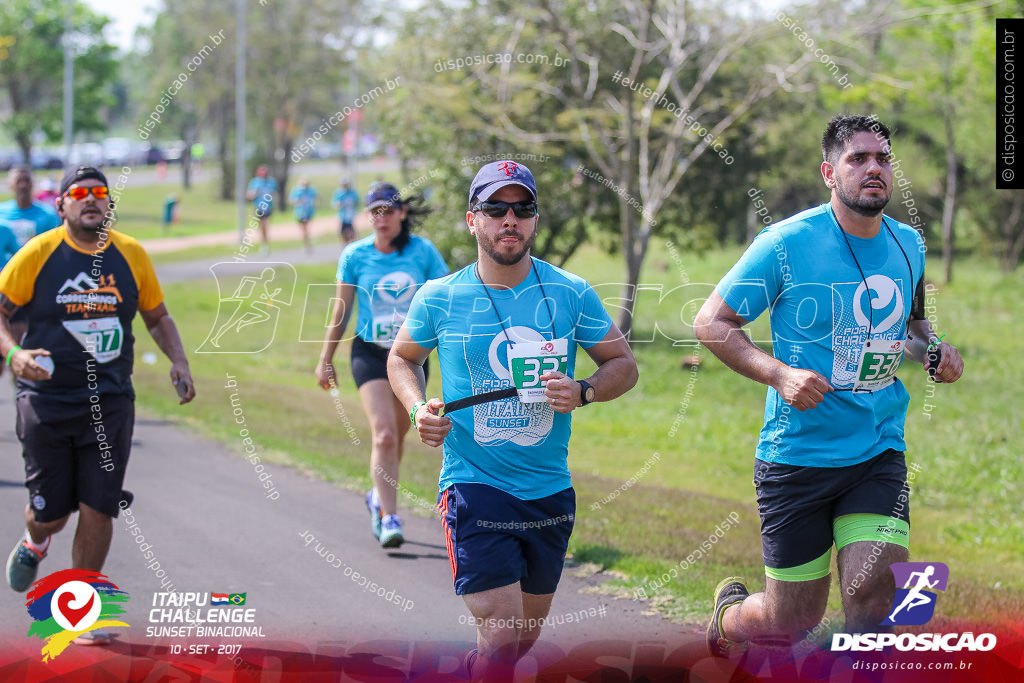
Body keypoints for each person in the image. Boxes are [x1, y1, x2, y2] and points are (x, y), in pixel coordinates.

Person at [694, 115, 964, 658]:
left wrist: (934, 351)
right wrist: (780, 374)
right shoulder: (786, 243)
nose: (873, 169)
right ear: (828, 172)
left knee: (875, 593)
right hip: (798, 455)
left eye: (883, 159)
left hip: (877, 448)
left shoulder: (909, 244)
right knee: (791, 618)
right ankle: (728, 618)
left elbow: (911, 330)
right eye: (857, 158)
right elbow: (711, 323)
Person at [387, 160, 638, 680]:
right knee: (501, 630)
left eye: (522, 209)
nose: (510, 220)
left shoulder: (569, 292)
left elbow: (623, 365)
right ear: (471, 219)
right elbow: (401, 357)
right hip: (473, 483)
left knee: (520, 638)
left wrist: (585, 390)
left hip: (548, 489)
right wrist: (417, 408)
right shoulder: (441, 296)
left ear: (535, 220)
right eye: (495, 208)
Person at [0, 167, 196, 645]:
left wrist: (179, 360)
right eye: (80, 194)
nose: (92, 200)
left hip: (108, 401)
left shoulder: (130, 254)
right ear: (62, 204)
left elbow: (157, 315)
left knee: (98, 506)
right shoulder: (38, 254)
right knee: (52, 514)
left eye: (100, 194)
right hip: (45, 400)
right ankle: (36, 538)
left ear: (108, 204)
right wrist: (14, 353)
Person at [315, 183, 448, 549]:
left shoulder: (423, 252)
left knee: (399, 435)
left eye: (388, 210)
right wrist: (325, 359)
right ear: (367, 215)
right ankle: (389, 516)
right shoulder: (354, 255)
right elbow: (340, 312)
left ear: (402, 213)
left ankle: (377, 495)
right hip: (370, 353)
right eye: (375, 211)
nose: (382, 218)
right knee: (385, 434)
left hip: (410, 357)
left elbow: (446, 298)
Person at [0, 166, 62, 259]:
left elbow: (57, 246)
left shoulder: (48, 214)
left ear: (32, 183)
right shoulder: (2, 212)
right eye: (18, 181)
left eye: (27, 180)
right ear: (10, 185)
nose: (23, 185)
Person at [245, 165, 278, 253]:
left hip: (268, 207)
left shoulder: (271, 182)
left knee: (265, 224)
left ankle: (265, 244)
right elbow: (249, 195)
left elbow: (275, 193)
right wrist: (255, 192)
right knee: (261, 227)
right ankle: (264, 242)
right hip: (258, 207)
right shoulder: (255, 182)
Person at [289, 178, 318, 254]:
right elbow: (291, 200)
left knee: (306, 228)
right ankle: (307, 243)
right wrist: (297, 201)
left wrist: (315, 204)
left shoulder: (311, 190)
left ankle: (307, 243)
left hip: (309, 212)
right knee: (304, 229)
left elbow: (315, 199)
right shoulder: (297, 191)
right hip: (300, 212)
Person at [332, 179, 359, 244]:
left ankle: (353, 243)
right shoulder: (339, 193)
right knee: (342, 231)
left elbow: (356, 202)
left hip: (350, 214)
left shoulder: (352, 192)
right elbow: (334, 203)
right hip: (342, 215)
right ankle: (345, 243)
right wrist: (338, 205)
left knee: (351, 231)